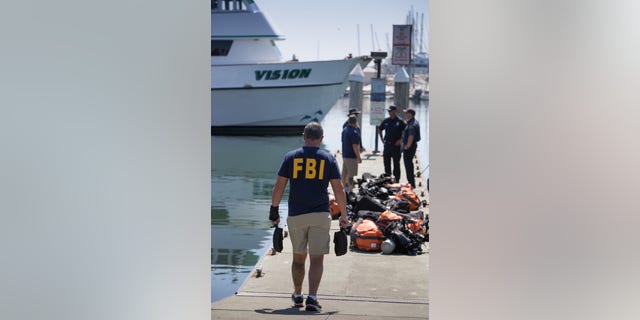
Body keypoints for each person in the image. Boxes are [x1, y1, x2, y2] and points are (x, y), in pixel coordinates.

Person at [270, 122, 349, 312]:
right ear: (321, 139)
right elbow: (338, 189)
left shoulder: (291, 157)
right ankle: (312, 298)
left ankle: (298, 296)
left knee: (298, 259)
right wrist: (344, 215)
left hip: (297, 214)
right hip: (321, 214)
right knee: (317, 260)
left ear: (304, 136)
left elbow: (279, 186)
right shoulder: (328, 159)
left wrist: (274, 210)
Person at [377, 105, 406, 182]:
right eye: (388, 111)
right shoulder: (386, 120)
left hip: (396, 146)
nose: (389, 112)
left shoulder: (400, 121)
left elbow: (406, 132)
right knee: (386, 163)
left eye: (390, 111)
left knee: (396, 164)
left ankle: (397, 179)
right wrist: (382, 139)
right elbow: (379, 129)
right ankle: (388, 179)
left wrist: (401, 140)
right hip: (387, 145)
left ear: (395, 111)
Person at [341, 115, 362, 193]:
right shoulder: (354, 131)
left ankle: (341, 188)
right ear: (355, 122)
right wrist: (358, 157)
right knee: (351, 174)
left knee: (344, 173)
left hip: (345, 154)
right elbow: (355, 146)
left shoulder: (344, 130)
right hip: (351, 156)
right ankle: (350, 190)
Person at [402, 107, 421, 188]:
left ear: (410, 114)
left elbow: (411, 136)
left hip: (410, 147)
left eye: (406, 113)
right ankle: (411, 182)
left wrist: (407, 146)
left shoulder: (411, 124)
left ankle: (411, 183)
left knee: (408, 165)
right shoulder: (412, 122)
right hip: (412, 146)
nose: (405, 114)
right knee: (409, 164)